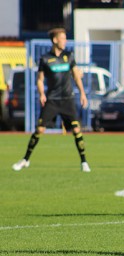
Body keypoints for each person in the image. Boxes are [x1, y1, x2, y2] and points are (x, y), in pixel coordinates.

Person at [12, 28, 91, 172]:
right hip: (52, 100)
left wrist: (83, 94)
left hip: (67, 100)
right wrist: (42, 93)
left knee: (76, 130)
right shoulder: (45, 59)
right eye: (63, 38)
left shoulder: (69, 56)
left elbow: (76, 76)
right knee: (39, 129)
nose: (65, 41)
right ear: (55, 40)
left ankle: (84, 162)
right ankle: (25, 159)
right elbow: (40, 80)